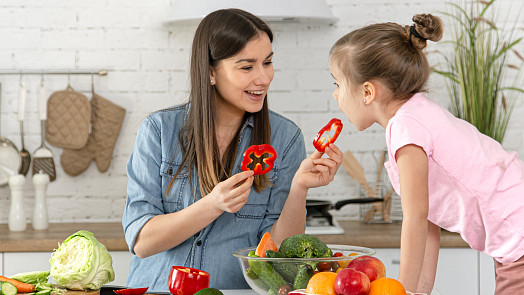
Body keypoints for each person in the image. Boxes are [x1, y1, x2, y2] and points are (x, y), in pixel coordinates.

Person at [123, 8, 342, 291]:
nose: (263, 78)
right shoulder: (158, 131)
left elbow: (277, 257)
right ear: (211, 72)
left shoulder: (285, 139)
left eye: (268, 62)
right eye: (247, 67)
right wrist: (212, 205)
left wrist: (300, 188)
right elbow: (142, 242)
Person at [329, 13, 524, 295]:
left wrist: (400, 290)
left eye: (338, 84)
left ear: (367, 92)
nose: (336, 95)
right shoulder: (417, 115)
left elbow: (415, 217)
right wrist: (417, 291)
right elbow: (429, 218)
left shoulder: (406, 128)